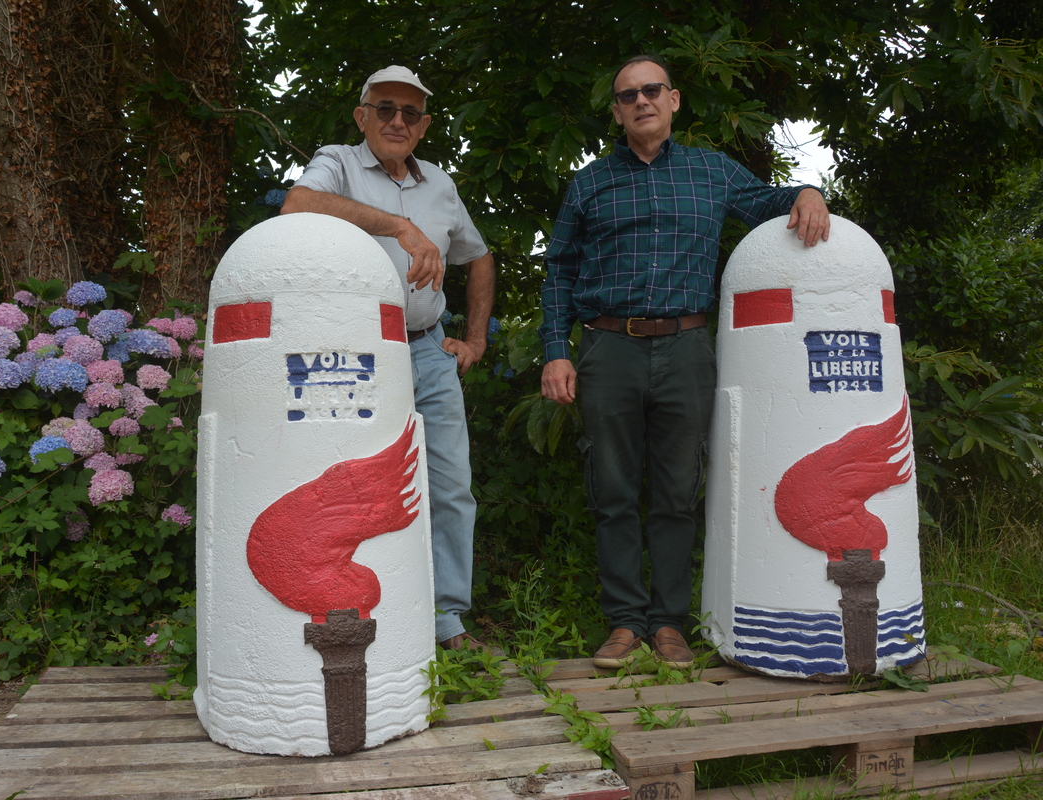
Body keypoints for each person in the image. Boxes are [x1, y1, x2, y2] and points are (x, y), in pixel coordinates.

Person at [539, 55, 830, 669]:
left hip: (687, 348)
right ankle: (623, 623)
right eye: (627, 96)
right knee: (611, 489)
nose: (640, 101)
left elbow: (765, 202)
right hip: (607, 346)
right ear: (616, 111)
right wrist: (555, 352)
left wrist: (807, 190)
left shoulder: (711, 171)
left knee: (678, 490)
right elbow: (558, 270)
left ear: (673, 99)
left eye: (651, 91)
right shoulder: (590, 182)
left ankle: (668, 623)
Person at [281, 65, 497, 654]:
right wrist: (398, 226)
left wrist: (474, 340)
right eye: (385, 109)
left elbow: (478, 257)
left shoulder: (440, 186)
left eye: (409, 113)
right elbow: (297, 204)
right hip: (354, 356)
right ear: (363, 116)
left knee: (451, 485)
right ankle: (362, 611)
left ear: (424, 125)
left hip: (428, 349)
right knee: (352, 485)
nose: (397, 121)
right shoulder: (339, 163)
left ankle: (446, 620)